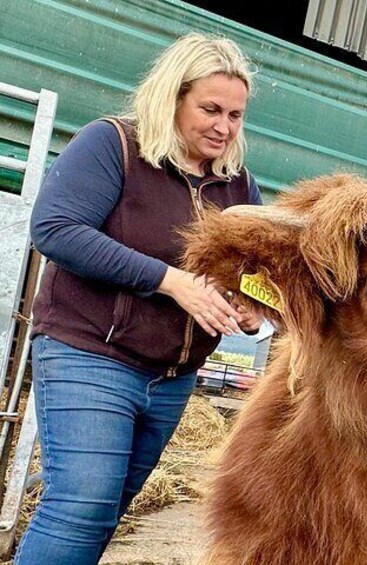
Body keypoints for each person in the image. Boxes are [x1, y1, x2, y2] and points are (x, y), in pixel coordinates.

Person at [16, 33, 264, 563]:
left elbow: (257, 273)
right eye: (211, 109)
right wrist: (170, 281)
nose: (224, 127)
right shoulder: (114, 145)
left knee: (107, 510)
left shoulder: (237, 185)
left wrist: (252, 307)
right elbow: (56, 228)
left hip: (172, 377)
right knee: (80, 503)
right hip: (90, 353)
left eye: (237, 115)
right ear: (172, 96)